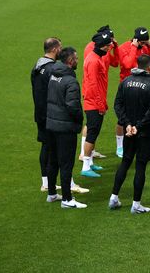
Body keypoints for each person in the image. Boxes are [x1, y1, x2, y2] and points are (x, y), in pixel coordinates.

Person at [109, 54, 150, 214]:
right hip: (144, 132)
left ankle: (114, 197)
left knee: (125, 162)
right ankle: (136, 204)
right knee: (140, 166)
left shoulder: (125, 82)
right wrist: (138, 126)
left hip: (129, 131)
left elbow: (117, 105)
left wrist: (127, 124)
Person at [45, 47, 86, 209]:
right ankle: (67, 200)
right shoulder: (71, 81)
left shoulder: (53, 75)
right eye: (75, 58)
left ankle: (52, 194)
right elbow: (73, 106)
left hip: (51, 124)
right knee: (66, 164)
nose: (77, 61)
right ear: (70, 61)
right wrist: (79, 120)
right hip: (65, 128)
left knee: (53, 160)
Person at [115, 27, 150, 158]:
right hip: (127, 87)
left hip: (143, 86)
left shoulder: (145, 47)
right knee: (122, 118)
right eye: (142, 42)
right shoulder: (124, 48)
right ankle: (120, 146)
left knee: (143, 115)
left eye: (146, 42)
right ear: (136, 40)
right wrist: (134, 48)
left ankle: (141, 145)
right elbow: (127, 65)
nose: (144, 44)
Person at [80, 25, 119, 160]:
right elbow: (92, 81)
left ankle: (89, 154)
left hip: (99, 92)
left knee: (93, 127)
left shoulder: (102, 53)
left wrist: (115, 47)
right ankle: (84, 155)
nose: (111, 43)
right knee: (91, 126)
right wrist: (100, 103)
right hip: (91, 93)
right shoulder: (92, 54)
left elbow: (115, 63)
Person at [31, 37, 61, 192]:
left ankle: (45, 182)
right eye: (60, 48)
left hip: (39, 112)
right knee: (54, 148)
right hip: (51, 114)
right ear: (55, 49)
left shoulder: (37, 66)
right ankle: (51, 183)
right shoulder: (52, 69)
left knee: (45, 146)